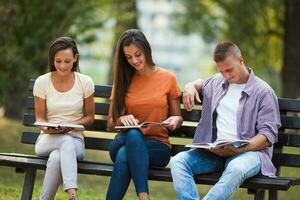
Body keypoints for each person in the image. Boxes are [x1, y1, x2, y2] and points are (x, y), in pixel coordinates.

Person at [170, 41, 281, 200]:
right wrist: (190, 86)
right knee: (178, 162)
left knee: (235, 168)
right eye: (221, 71)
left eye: (229, 70)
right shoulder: (217, 82)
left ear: (240, 60)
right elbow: (200, 83)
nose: (226, 76)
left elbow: (268, 135)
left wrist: (239, 149)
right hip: (215, 153)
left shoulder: (263, 92)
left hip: (248, 153)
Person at [106, 29, 183, 200]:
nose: (134, 60)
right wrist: (121, 119)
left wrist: (175, 120)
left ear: (146, 50)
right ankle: (144, 197)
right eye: (128, 57)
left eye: (138, 54)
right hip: (123, 141)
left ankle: (143, 196)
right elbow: (111, 123)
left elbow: (178, 117)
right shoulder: (122, 79)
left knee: (125, 154)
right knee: (133, 134)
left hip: (157, 146)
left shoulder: (167, 78)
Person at [33, 36, 95, 200]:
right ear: (52, 59)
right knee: (63, 142)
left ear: (75, 58)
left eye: (67, 61)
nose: (62, 66)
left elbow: (90, 117)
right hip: (47, 140)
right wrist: (47, 128)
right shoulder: (42, 82)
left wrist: (71, 124)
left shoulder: (85, 82)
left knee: (57, 155)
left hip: (76, 141)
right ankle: (72, 194)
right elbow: (40, 117)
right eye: (58, 61)